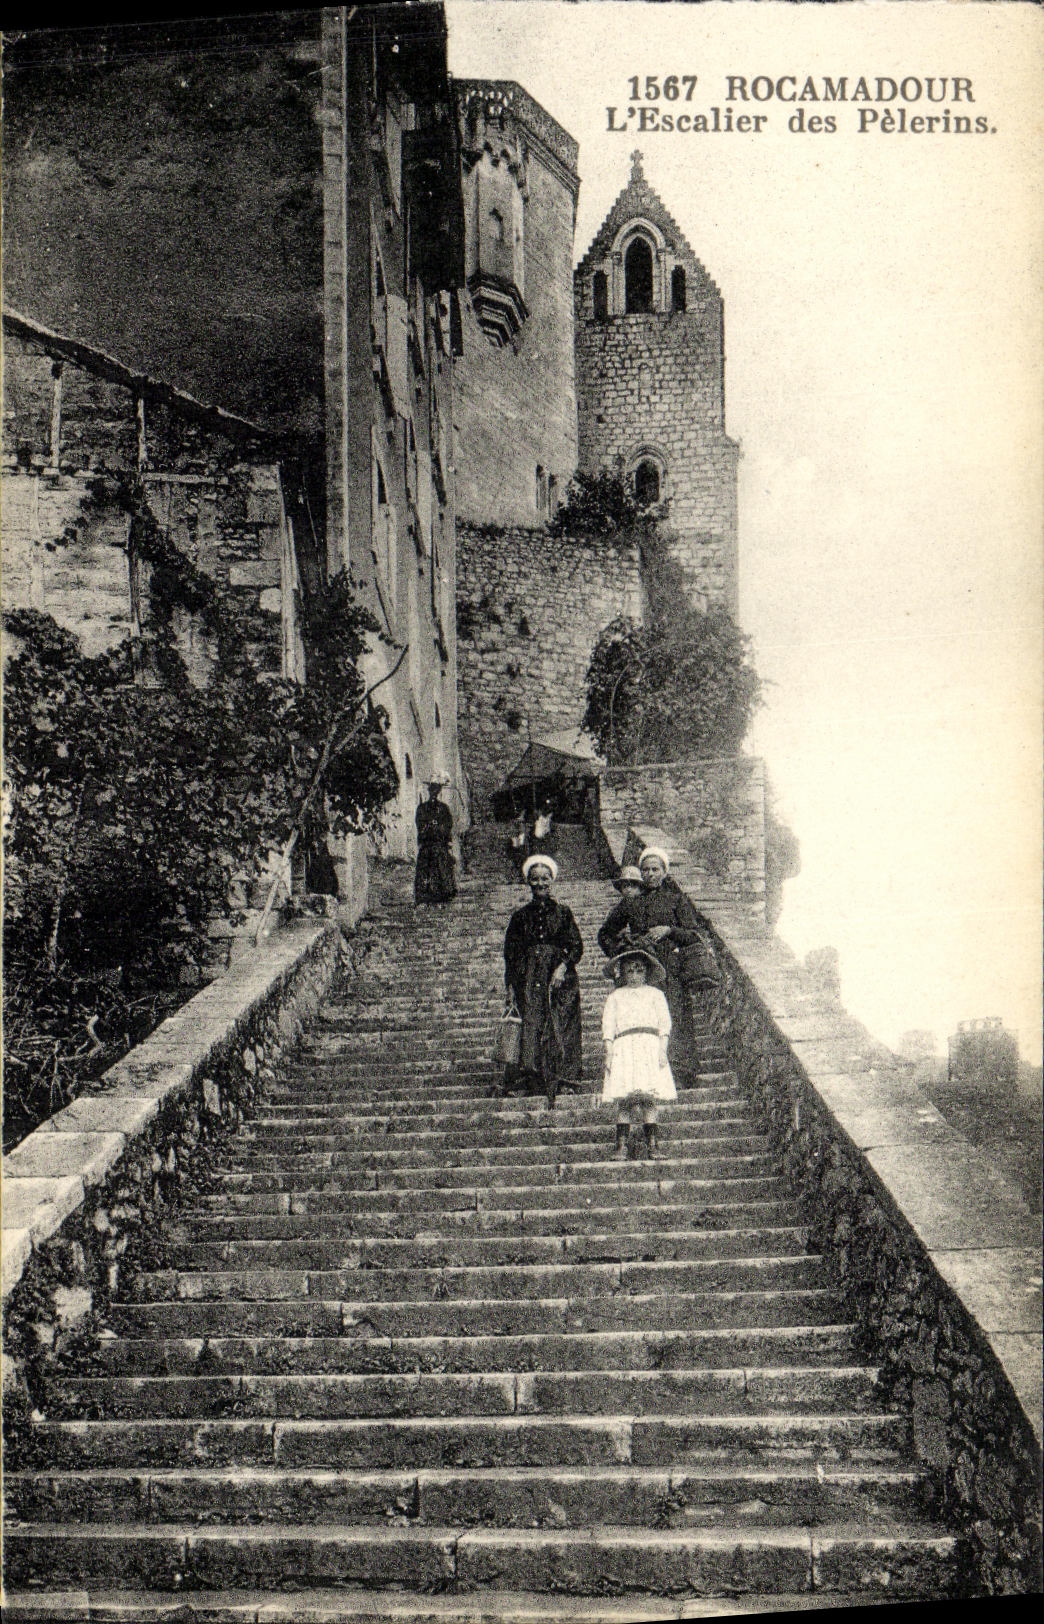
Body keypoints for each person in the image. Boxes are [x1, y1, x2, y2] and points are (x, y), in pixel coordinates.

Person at [597, 846, 716, 1084]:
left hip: (672, 968)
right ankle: (647, 1073)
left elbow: (694, 934)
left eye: (655, 869)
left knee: (676, 1017)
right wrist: (622, 952)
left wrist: (669, 930)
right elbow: (605, 935)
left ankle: (682, 1071)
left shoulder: (675, 900)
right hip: (642, 972)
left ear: (664, 872)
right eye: (646, 870)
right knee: (643, 1019)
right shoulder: (631, 904)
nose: (650, 874)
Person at [501, 854, 583, 1100]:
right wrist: (511, 987)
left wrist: (562, 967)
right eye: (535, 879)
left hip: (559, 978)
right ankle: (531, 1078)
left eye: (545, 878)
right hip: (528, 978)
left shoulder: (563, 913)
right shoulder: (519, 917)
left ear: (552, 880)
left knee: (563, 1024)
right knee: (531, 1024)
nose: (540, 884)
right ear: (528, 882)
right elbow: (511, 954)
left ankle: (565, 1079)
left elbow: (576, 946)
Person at [602, 947, 675, 1159]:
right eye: (629, 971)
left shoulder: (656, 995)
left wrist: (662, 1050)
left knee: (649, 1098)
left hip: (649, 1047)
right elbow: (608, 1027)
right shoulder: (616, 996)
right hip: (625, 1047)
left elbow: (664, 1024)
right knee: (625, 1099)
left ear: (646, 972)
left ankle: (653, 1145)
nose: (634, 976)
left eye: (639, 970)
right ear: (622, 973)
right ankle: (621, 1145)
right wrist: (609, 1052)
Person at [414, 778, 457, 904]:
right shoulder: (422, 808)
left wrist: (439, 828)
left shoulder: (443, 808)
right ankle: (425, 895)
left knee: (441, 867)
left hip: (439, 843)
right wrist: (427, 826)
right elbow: (419, 824)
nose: (434, 792)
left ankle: (443, 893)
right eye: (432, 789)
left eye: (436, 789)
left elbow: (448, 824)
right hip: (427, 843)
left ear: (439, 791)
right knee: (425, 869)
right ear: (429, 791)